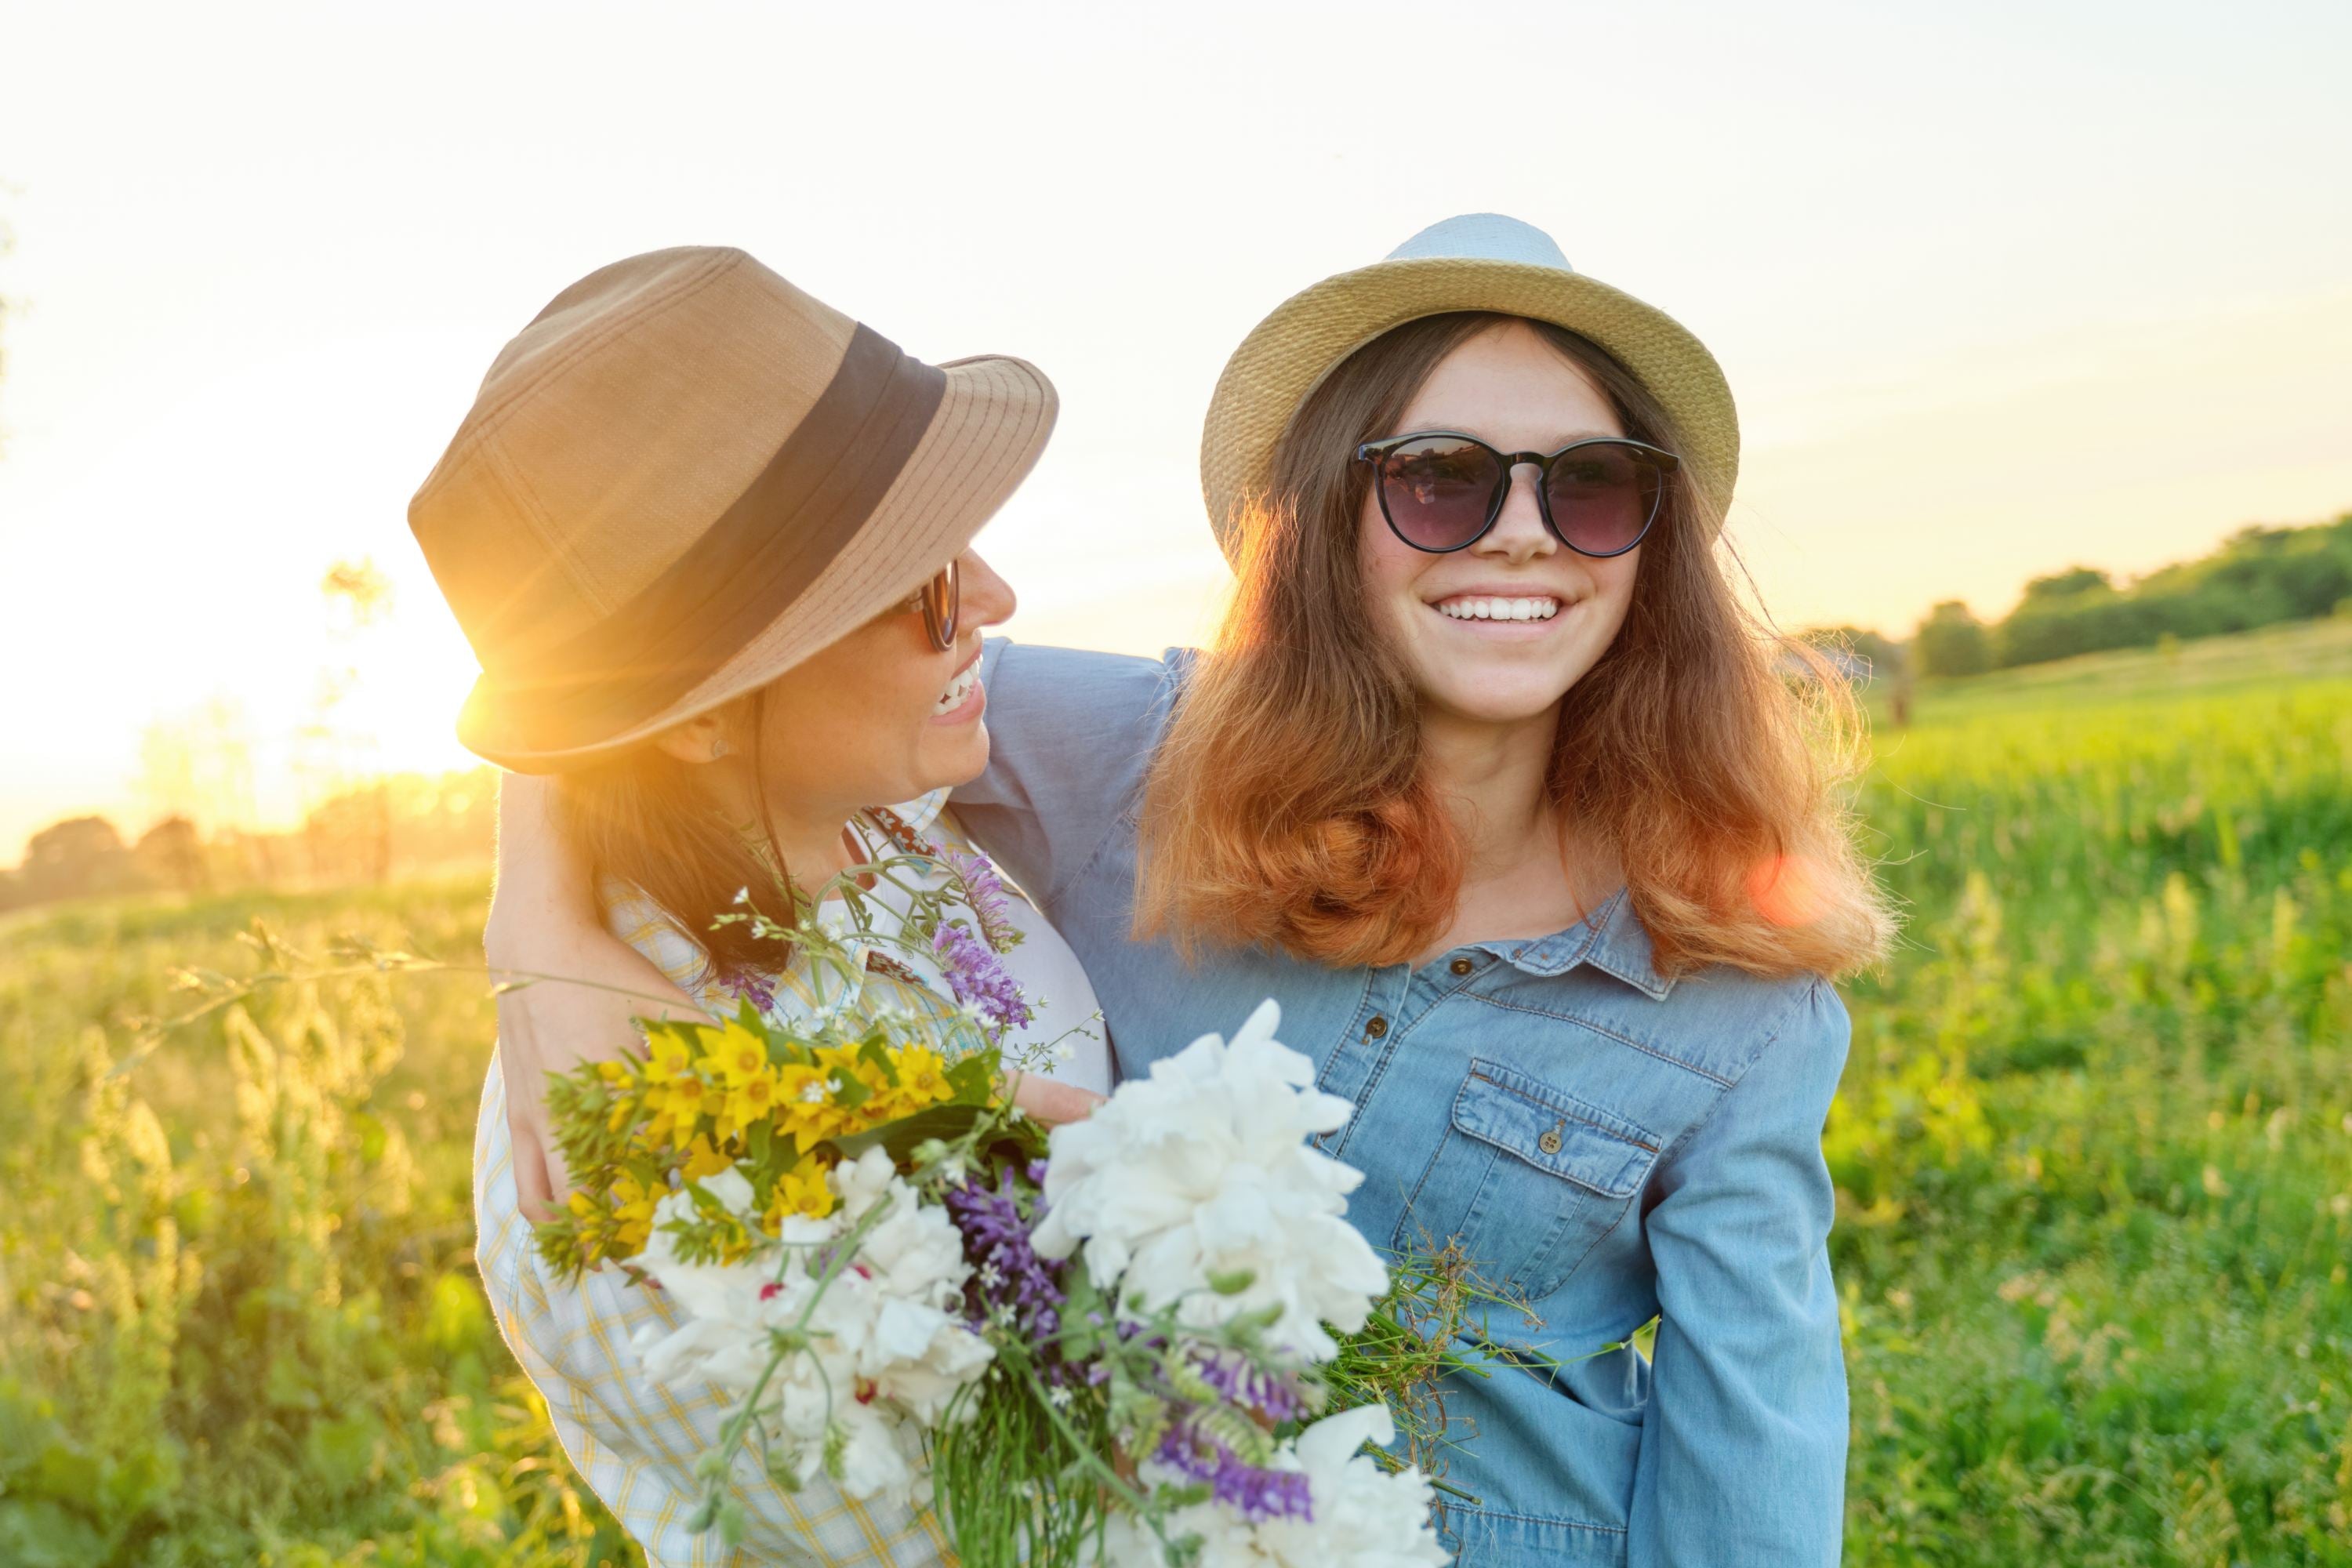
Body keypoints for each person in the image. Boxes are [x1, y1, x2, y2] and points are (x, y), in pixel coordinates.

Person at [489, 215, 1892, 1566]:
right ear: (1328, 517)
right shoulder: (1136, 758)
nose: (1521, 534)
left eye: (1592, 485)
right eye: (1442, 479)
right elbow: (687, 679)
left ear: (1653, 546)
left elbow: (1754, 1446)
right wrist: (538, 923)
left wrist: (526, 934)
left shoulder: (1745, 1002)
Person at [409, 243, 1108, 1567]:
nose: (997, 602)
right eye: (928, 580)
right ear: (707, 715)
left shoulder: (887, 798)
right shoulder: (628, 1173)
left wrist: (537, 903)